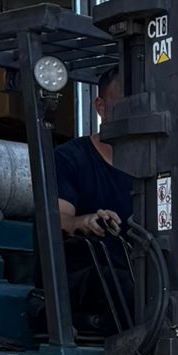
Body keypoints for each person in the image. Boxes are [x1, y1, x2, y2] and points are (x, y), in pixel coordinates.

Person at [54, 70, 134, 331]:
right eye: (124, 105)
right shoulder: (70, 159)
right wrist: (86, 220)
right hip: (84, 275)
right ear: (100, 107)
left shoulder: (151, 170)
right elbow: (58, 219)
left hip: (134, 268)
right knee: (135, 289)